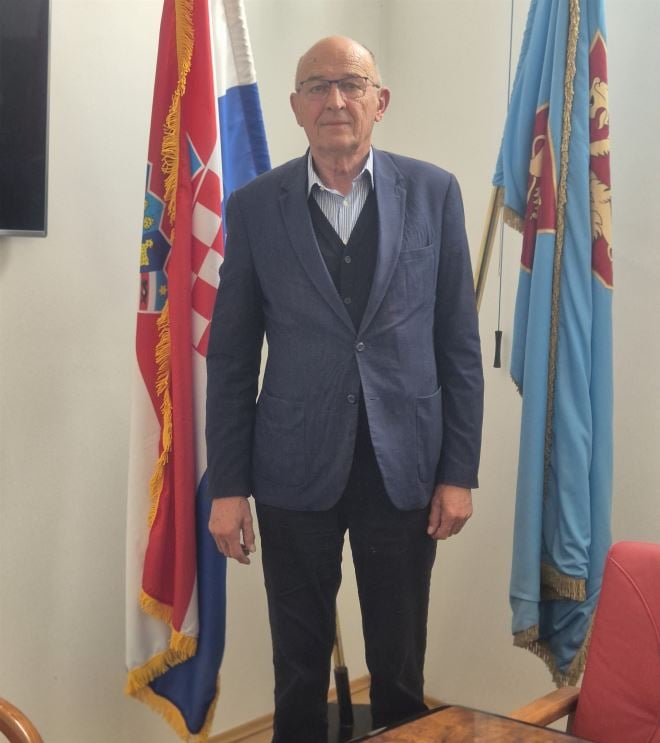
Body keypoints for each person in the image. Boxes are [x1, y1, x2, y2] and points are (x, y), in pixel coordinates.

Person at [206, 35, 483, 743]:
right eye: (318, 86)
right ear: (296, 106)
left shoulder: (434, 193)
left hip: (405, 469)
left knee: (400, 667)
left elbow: (457, 345)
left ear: (378, 101)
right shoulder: (254, 207)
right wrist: (228, 486)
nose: (335, 100)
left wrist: (458, 472)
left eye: (351, 84)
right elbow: (232, 358)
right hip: (293, 467)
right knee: (298, 669)